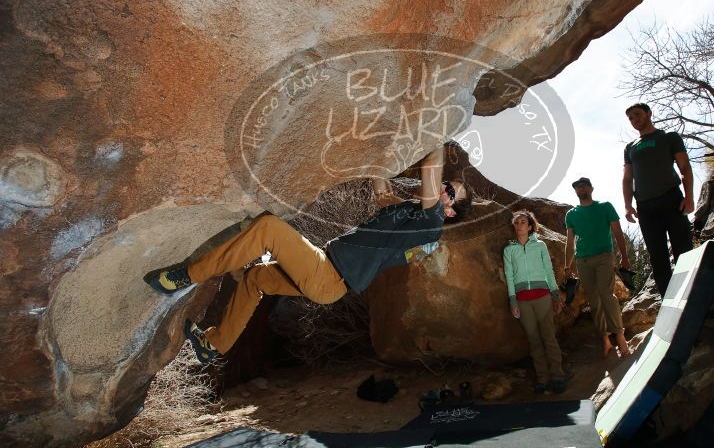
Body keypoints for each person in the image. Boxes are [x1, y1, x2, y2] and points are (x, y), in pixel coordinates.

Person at [146, 143, 471, 363]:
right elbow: (382, 194)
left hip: (328, 275)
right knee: (256, 279)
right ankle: (214, 345)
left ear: (452, 212)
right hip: (328, 274)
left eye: (450, 192)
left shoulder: (431, 224)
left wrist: (438, 123)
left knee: (268, 229)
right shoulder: (417, 220)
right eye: (447, 186)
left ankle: (186, 277)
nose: (443, 189)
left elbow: (431, 167)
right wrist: (378, 158)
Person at [623, 103, 694, 297]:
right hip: (645, 206)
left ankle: (691, 295)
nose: (634, 120)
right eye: (630, 118)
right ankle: (668, 301)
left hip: (671, 198)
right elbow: (628, 178)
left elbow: (685, 168)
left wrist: (689, 197)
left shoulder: (669, 137)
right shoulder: (630, 147)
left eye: (637, 115)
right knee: (657, 255)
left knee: (683, 249)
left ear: (648, 114)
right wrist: (628, 206)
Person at [564, 178, 631, 358]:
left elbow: (617, 232)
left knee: (606, 294)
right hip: (582, 261)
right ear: (575, 191)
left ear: (591, 188)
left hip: (604, 257)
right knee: (594, 300)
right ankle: (605, 339)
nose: (580, 188)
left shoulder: (605, 207)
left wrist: (624, 257)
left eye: (584, 185)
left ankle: (620, 335)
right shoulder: (571, 214)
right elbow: (570, 242)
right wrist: (567, 265)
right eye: (577, 186)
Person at [503, 210, 565, 394]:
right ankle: (542, 378)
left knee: (549, 337)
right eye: (517, 222)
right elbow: (509, 276)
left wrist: (555, 295)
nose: (519, 225)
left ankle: (558, 377)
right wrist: (513, 301)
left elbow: (548, 270)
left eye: (523, 222)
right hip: (522, 301)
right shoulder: (509, 250)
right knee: (534, 340)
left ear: (530, 226)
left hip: (542, 297)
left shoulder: (540, 246)